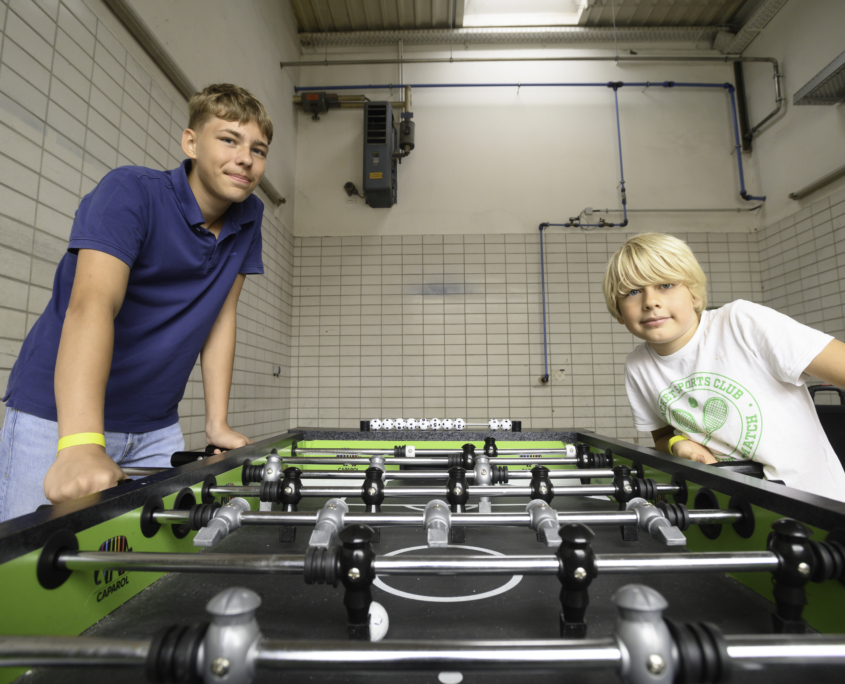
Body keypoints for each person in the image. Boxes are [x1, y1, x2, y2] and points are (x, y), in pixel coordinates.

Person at [0, 83, 272, 522]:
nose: (246, 158)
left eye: (258, 150)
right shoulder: (130, 191)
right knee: (26, 575)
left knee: (142, 582)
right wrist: (81, 443)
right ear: (191, 143)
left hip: (155, 428)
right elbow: (92, 304)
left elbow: (221, 314)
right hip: (57, 422)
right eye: (228, 139)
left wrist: (215, 422)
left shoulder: (249, 215)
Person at [603, 232, 845, 502]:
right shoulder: (638, 366)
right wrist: (677, 444)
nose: (650, 301)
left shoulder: (741, 322)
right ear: (619, 312)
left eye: (666, 285)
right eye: (633, 292)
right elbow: (662, 435)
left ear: (693, 294)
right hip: (734, 509)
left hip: (818, 505)